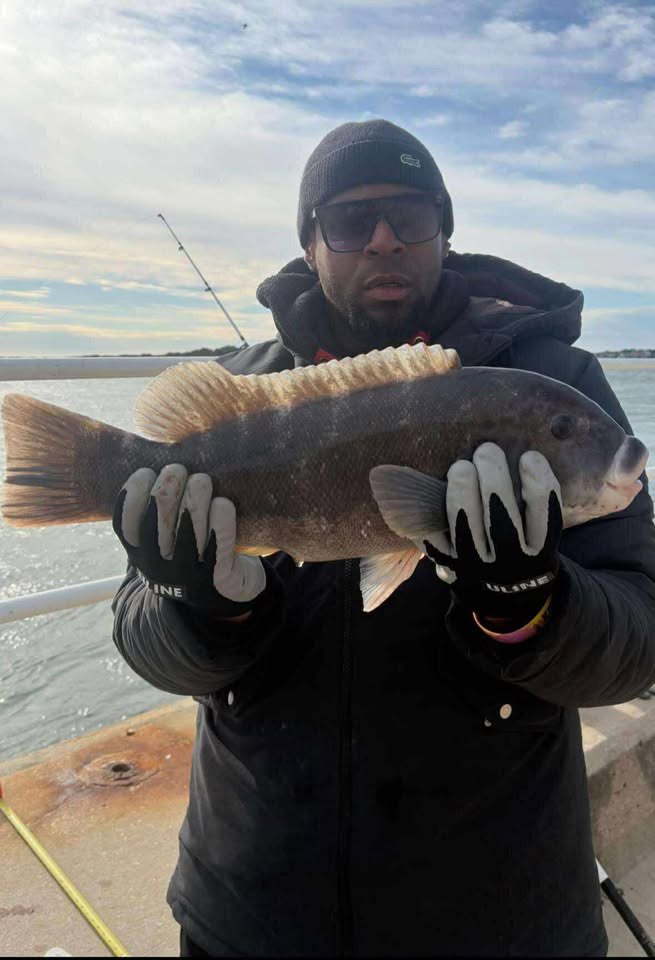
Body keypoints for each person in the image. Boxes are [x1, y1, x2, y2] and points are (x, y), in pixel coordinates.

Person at [111, 119, 655, 957]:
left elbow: (639, 637)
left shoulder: (550, 382)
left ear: (444, 228)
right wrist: (199, 606)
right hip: (253, 905)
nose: (383, 240)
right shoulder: (240, 396)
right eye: (349, 221)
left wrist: (532, 607)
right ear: (308, 240)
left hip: (500, 916)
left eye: (410, 215)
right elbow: (147, 645)